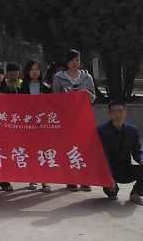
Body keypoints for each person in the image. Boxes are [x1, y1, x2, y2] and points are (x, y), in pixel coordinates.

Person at [52, 49, 96, 192]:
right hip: (66, 120)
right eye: (71, 60)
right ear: (67, 62)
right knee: (69, 149)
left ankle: (85, 179)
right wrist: (65, 97)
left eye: (77, 60)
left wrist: (88, 95)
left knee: (85, 148)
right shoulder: (59, 78)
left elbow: (93, 98)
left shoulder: (87, 77)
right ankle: (70, 179)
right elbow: (54, 99)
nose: (75, 63)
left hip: (83, 119)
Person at [98, 101, 143, 205]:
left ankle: (135, 193)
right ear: (109, 113)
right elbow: (99, 156)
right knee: (112, 194)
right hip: (108, 171)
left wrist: (141, 159)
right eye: (114, 112)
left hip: (125, 167)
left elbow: (137, 151)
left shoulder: (132, 130)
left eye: (120, 111)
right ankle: (111, 189)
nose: (117, 115)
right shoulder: (101, 131)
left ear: (125, 112)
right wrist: (106, 175)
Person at [19, 60, 51, 192]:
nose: (34, 72)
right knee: (31, 151)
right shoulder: (21, 88)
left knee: (44, 151)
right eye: (32, 69)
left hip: (44, 124)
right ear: (27, 71)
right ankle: (33, 178)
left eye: (37, 69)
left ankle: (45, 180)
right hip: (29, 124)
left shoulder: (47, 87)